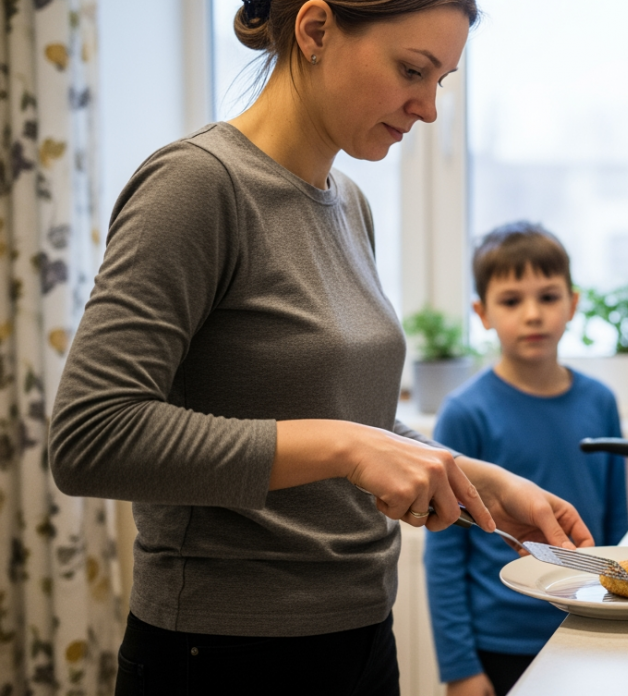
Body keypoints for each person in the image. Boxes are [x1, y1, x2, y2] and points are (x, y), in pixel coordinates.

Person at [48, 2, 594, 694]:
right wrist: (350, 447)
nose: (428, 108)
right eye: (412, 71)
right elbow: (90, 437)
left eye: (441, 81)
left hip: (361, 634)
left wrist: (475, 479)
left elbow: (342, 415)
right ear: (314, 31)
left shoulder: (350, 206)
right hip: (223, 653)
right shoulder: (197, 186)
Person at [426, 222, 628, 696]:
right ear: (482, 313)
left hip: (590, 626)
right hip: (499, 641)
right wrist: (460, 666)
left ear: (573, 305)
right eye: (512, 301)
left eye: (548, 296)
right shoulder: (464, 413)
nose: (533, 314)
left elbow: (617, 523)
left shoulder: (600, 401)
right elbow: (444, 555)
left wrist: (626, 617)